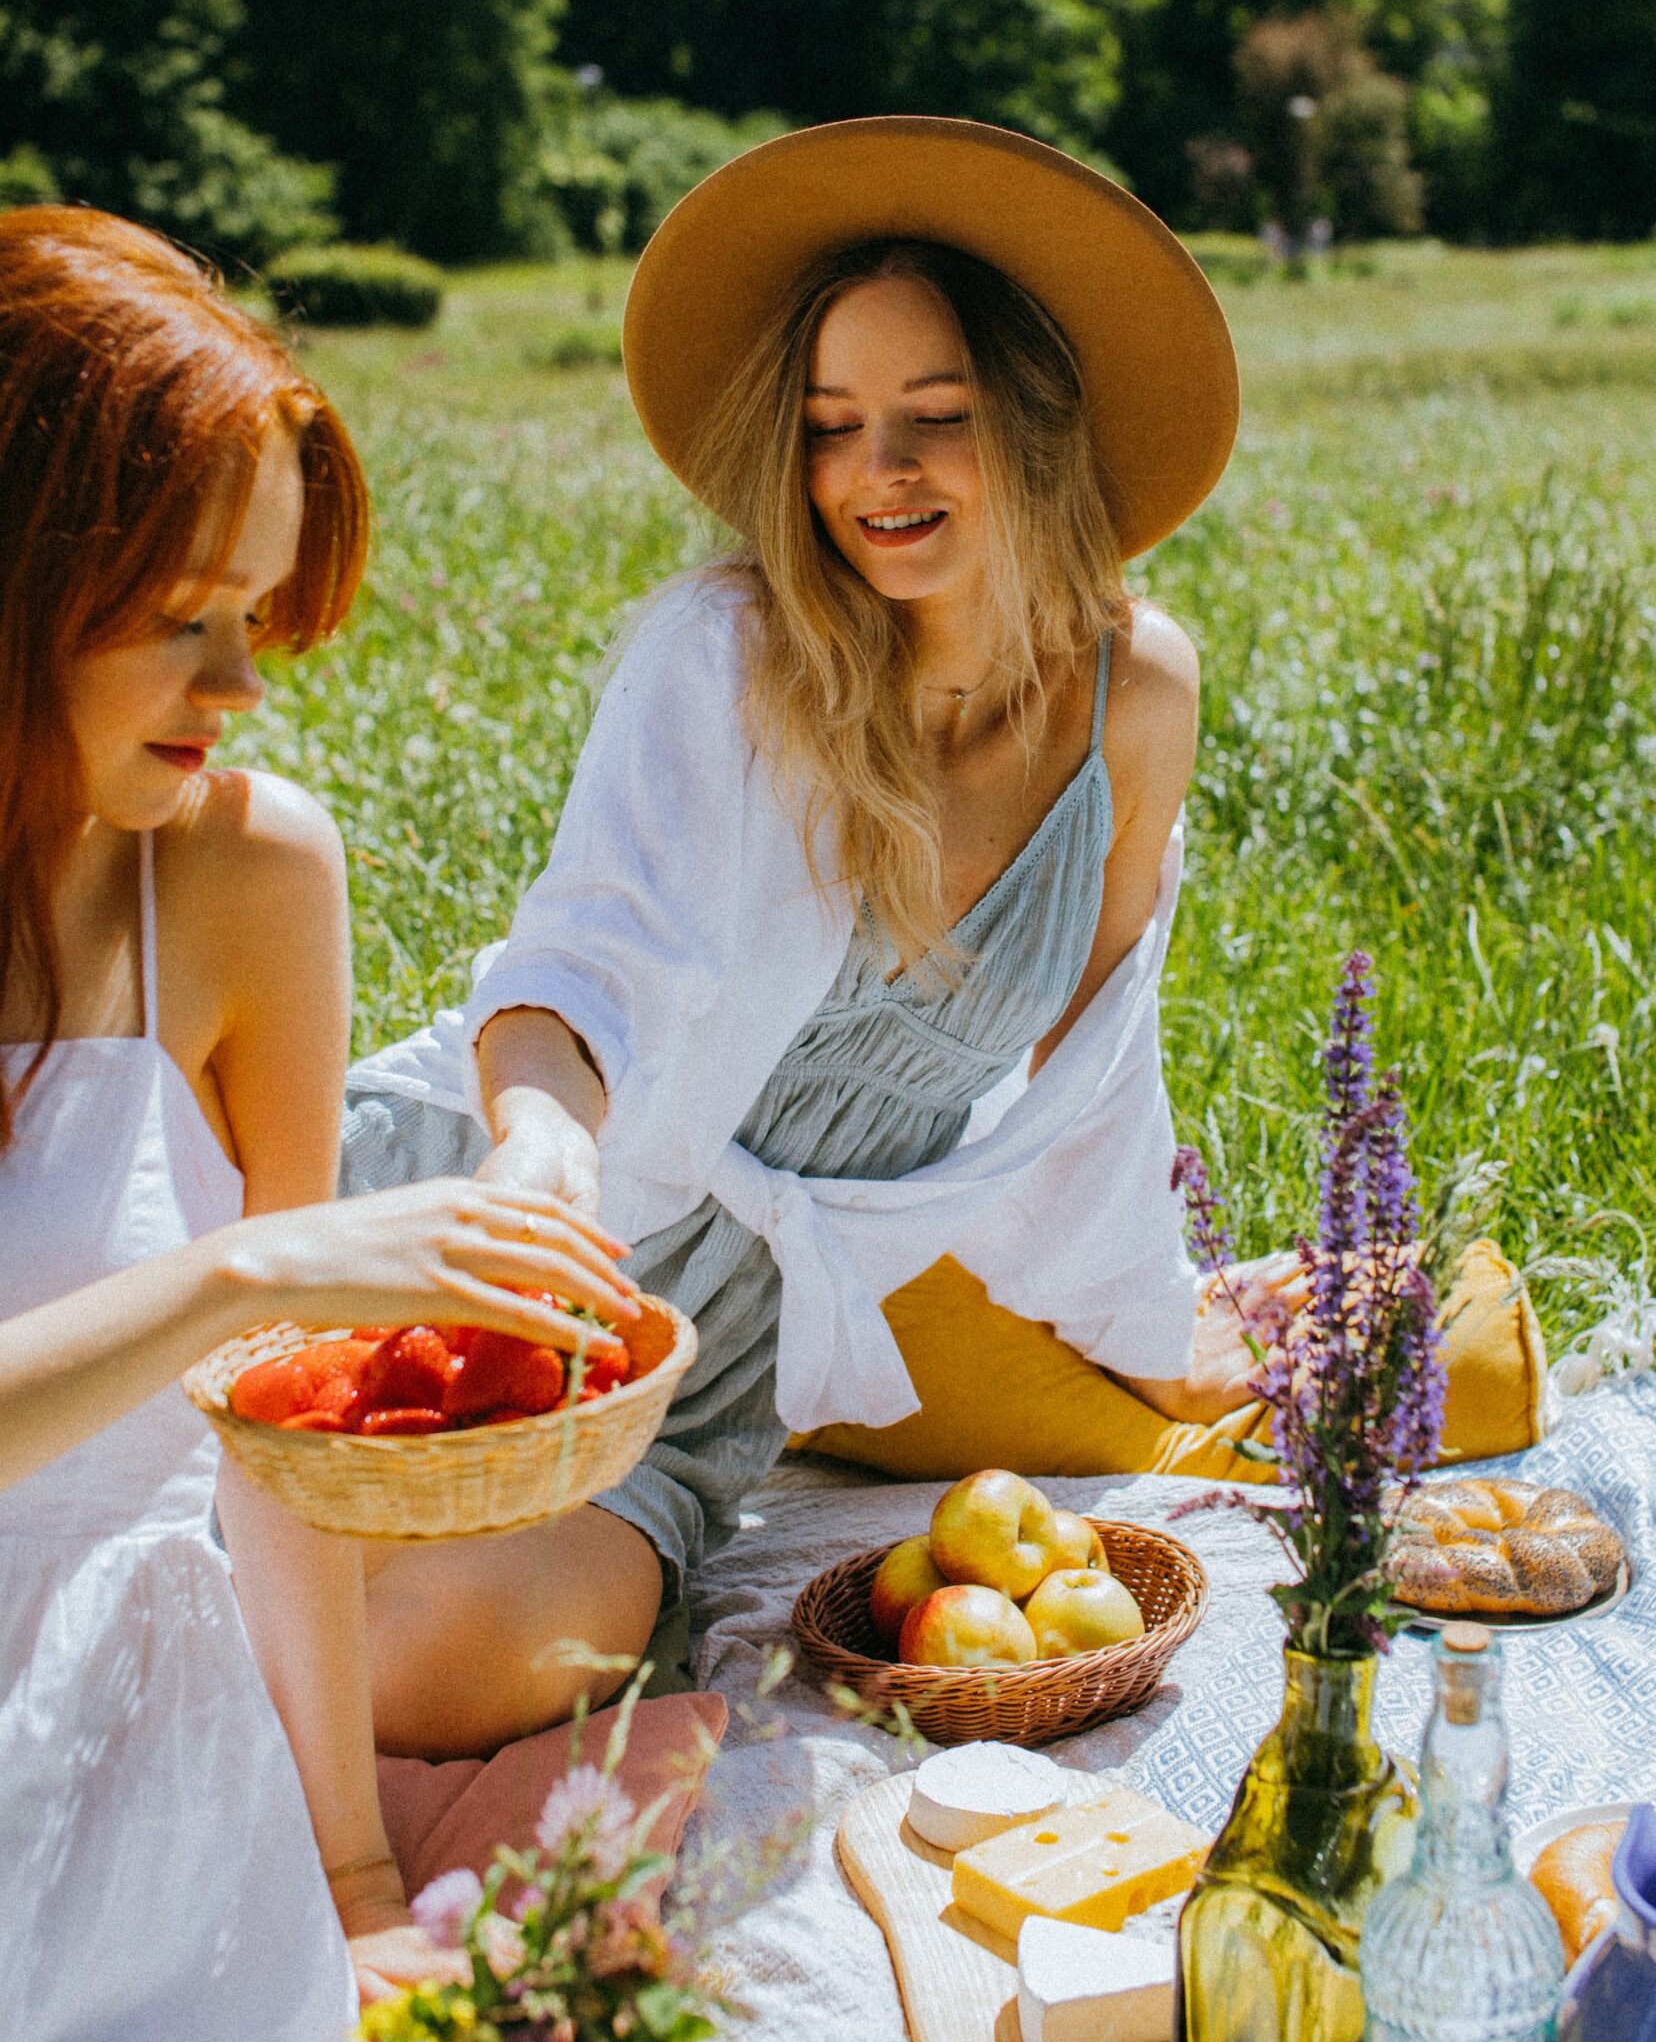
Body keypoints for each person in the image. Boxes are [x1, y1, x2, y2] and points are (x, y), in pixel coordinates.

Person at [344, 115, 1271, 1748]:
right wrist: (536, 1152)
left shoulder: (1139, 692)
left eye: (937, 417)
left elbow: (1091, 1065)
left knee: (442, 1672)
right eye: (834, 426)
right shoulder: (727, 657)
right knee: (201, 1531)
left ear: (1040, 428)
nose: (876, 475)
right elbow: (571, 973)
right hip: (516, 1239)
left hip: (712, 1369)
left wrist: (1140, 1311)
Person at [0, 207, 639, 2040]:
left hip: (141, 1749)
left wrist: (350, 1878)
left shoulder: (242, 871)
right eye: (178, 623)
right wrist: (247, 1272)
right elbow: (254, 1300)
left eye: (259, 619)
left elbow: (278, 1464)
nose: (243, 688)